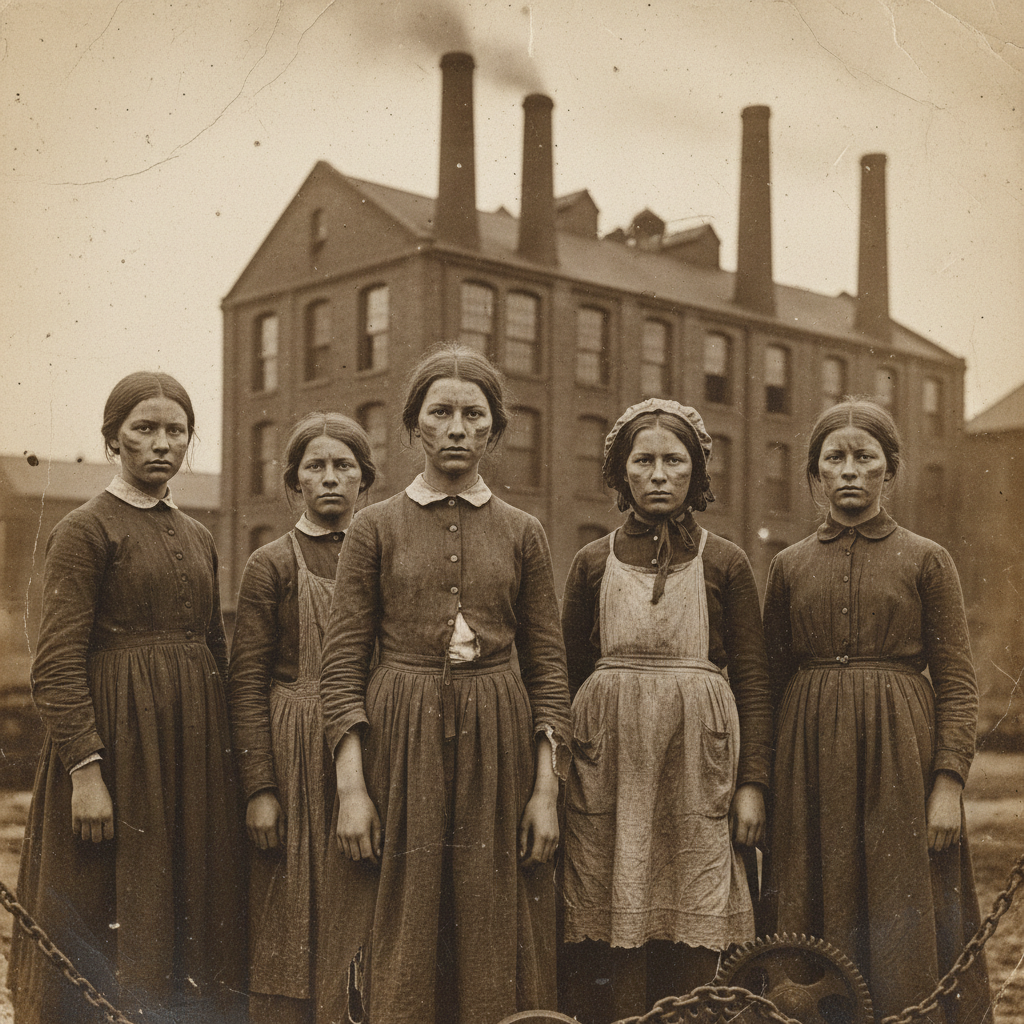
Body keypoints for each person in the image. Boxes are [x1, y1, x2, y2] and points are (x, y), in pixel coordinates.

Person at [316, 346, 572, 1024]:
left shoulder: (524, 533)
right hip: (399, 745)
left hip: (499, 746)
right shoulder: (373, 528)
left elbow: (548, 668)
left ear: (493, 429)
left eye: (473, 414)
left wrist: (545, 793)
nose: (457, 428)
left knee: (492, 919)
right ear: (413, 427)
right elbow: (340, 666)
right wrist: (352, 791)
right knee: (403, 916)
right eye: (440, 413)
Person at [7, 371, 246, 1024]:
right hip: (118, 751)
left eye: (176, 431)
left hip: (189, 755)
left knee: (186, 910)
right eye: (144, 429)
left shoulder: (198, 536)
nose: (161, 444)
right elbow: (55, 664)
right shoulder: (84, 531)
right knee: (108, 910)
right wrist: (87, 772)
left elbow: (214, 648)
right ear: (113, 439)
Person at [762, 399, 991, 1023]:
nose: (850, 471)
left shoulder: (927, 559)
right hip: (808, 761)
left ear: (890, 469)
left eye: (866, 458)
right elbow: (769, 682)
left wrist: (948, 782)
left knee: (900, 906)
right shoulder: (787, 565)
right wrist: (761, 783)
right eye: (834, 459)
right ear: (816, 474)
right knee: (814, 901)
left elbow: (958, 682)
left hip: (901, 760)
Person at [559, 398, 772, 1023]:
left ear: (696, 472)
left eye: (673, 461)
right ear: (621, 472)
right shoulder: (591, 562)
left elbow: (755, 682)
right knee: (611, 894)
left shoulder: (727, 562)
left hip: (698, 763)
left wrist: (753, 784)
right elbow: (564, 677)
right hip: (610, 765)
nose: (658, 474)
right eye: (643, 460)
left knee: (697, 900)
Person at [228, 412, 376, 1024]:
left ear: (364, 480)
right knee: (291, 899)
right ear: (294, 482)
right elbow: (246, 682)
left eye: (344, 466)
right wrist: (260, 788)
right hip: (293, 747)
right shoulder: (271, 563)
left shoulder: (380, 550)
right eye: (316, 467)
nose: (331, 479)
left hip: (369, 741)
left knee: (363, 888)